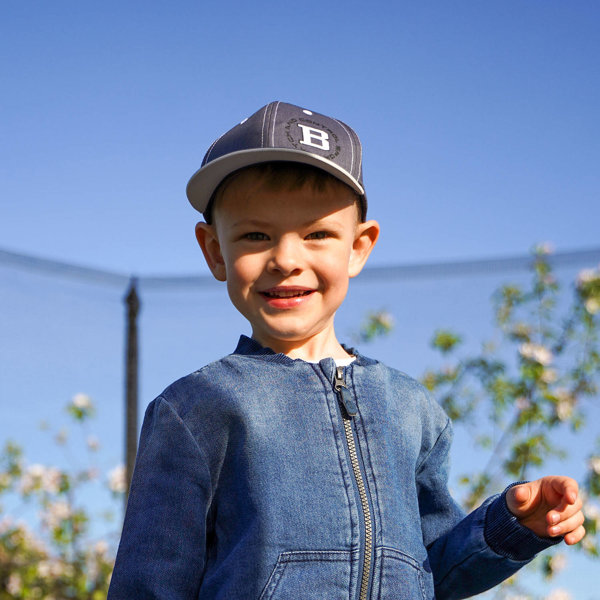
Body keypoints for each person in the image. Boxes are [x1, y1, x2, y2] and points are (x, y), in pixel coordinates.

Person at [107, 101, 585, 600]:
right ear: (214, 250)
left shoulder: (412, 410)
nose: (287, 259)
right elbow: (149, 584)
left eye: (317, 235)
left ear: (358, 246)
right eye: (254, 235)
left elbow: (430, 576)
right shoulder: (194, 408)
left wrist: (510, 525)